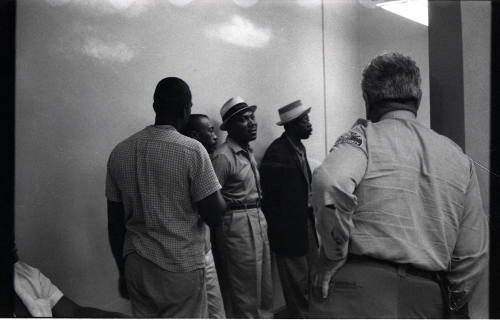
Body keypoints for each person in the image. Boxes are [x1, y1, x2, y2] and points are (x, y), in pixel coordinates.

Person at [309, 52, 489, 318]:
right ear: (417, 99)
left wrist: (331, 258)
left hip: (357, 290)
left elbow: (330, 182)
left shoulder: (362, 138)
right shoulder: (458, 158)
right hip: (427, 296)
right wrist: (446, 300)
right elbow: (473, 254)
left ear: (368, 100)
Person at [106, 77, 226, 318]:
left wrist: (122, 271)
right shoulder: (192, 150)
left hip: (136, 265)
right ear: (186, 110)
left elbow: (115, 223)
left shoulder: (120, 152)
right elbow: (215, 215)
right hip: (179, 267)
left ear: (155, 107)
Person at [211, 96, 273, 318]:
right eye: (245, 119)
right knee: (246, 290)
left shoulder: (247, 152)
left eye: (253, 117)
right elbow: (212, 202)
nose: (253, 123)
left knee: (264, 285)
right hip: (236, 224)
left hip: (256, 217)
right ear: (230, 127)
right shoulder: (222, 157)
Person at [259, 100, 319, 318]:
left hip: (305, 226)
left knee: (311, 281)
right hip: (289, 233)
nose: (310, 124)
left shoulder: (298, 148)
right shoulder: (277, 154)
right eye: (305, 120)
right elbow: (271, 202)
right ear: (292, 125)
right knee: (297, 288)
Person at [182, 114, 226, 319]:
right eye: (210, 130)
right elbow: (216, 212)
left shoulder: (205, 158)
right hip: (189, 256)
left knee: (216, 311)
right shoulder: (194, 160)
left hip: (205, 248)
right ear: (194, 135)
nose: (215, 136)